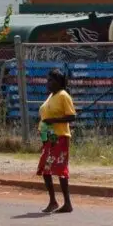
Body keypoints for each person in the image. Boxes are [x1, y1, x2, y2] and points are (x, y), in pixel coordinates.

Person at [38, 69, 76, 214]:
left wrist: (53, 120)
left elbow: (71, 116)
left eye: (51, 80)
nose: (47, 83)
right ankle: (53, 201)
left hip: (60, 137)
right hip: (49, 137)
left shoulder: (63, 95)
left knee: (60, 169)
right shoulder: (51, 96)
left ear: (59, 82)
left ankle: (67, 203)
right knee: (45, 169)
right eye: (47, 80)